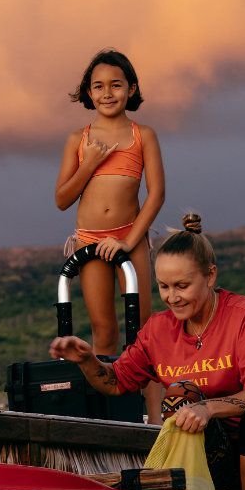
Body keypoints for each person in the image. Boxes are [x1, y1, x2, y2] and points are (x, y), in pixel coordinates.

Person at [48, 213, 245, 490]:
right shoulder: (159, 329)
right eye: (164, 286)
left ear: (210, 276)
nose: (172, 297)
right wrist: (88, 360)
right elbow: (115, 382)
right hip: (215, 457)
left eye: (182, 286)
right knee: (180, 394)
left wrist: (207, 409)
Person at [54, 49, 165, 363]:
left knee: (142, 333)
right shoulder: (79, 139)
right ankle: (111, 411)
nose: (107, 93)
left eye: (116, 85)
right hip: (90, 241)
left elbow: (156, 195)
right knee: (103, 331)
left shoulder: (143, 135)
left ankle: (153, 414)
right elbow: (62, 200)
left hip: (130, 238)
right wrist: (89, 164)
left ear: (130, 89)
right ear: (89, 92)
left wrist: (129, 242)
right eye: (99, 86)